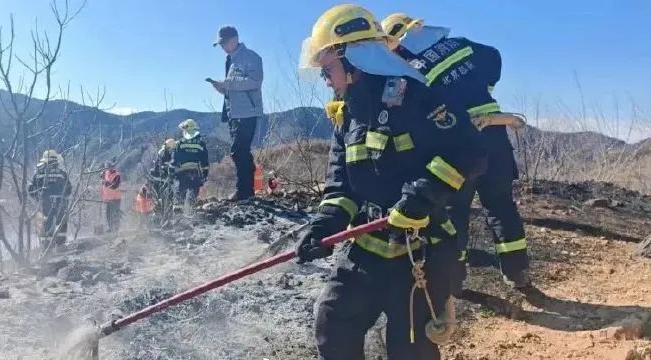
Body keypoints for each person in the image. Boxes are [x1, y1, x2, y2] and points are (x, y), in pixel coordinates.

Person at [296, 5, 486, 359]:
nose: (325, 79)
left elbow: (469, 152)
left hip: (420, 250)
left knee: (410, 346)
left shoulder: (418, 95)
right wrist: (324, 225)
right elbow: (342, 184)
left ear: (352, 58)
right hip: (366, 246)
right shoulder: (348, 114)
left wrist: (422, 196)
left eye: (327, 69)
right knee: (333, 322)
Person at [382, 13, 531, 291]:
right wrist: (481, 90)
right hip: (494, 135)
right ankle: (517, 272)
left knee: (454, 212)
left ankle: (453, 281)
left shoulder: (407, 69)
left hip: (456, 144)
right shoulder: (460, 44)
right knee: (500, 205)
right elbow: (493, 59)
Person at [207, 25, 263, 201]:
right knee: (240, 152)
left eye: (224, 43)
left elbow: (255, 82)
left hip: (247, 113)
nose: (222, 47)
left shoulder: (251, 57)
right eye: (220, 44)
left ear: (234, 39)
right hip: (234, 113)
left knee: (239, 151)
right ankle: (246, 191)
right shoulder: (230, 60)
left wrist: (227, 83)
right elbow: (234, 88)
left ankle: (244, 191)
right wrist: (221, 88)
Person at [28, 150, 72, 251]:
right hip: (60, 202)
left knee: (45, 224)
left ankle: (46, 248)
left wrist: (38, 199)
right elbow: (69, 188)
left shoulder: (38, 174)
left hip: (45, 203)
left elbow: (31, 189)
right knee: (61, 223)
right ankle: (61, 246)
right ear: (55, 160)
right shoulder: (62, 173)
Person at [171, 119, 209, 212]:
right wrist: (205, 174)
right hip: (195, 173)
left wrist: (171, 172)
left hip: (181, 174)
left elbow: (174, 160)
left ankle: (178, 218)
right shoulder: (201, 143)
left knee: (179, 195)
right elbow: (204, 161)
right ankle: (192, 216)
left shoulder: (180, 143)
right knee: (193, 194)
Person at [150, 138, 176, 224]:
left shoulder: (163, 152)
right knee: (163, 200)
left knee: (162, 200)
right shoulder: (163, 153)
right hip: (161, 180)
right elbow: (163, 166)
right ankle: (160, 220)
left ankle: (161, 219)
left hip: (159, 179)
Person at [101, 161, 122, 233]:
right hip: (108, 198)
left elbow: (115, 186)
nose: (107, 169)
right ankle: (110, 228)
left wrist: (106, 183)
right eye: (106, 167)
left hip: (116, 198)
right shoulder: (105, 173)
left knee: (115, 214)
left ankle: (116, 229)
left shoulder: (117, 175)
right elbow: (102, 178)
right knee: (108, 214)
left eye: (109, 167)